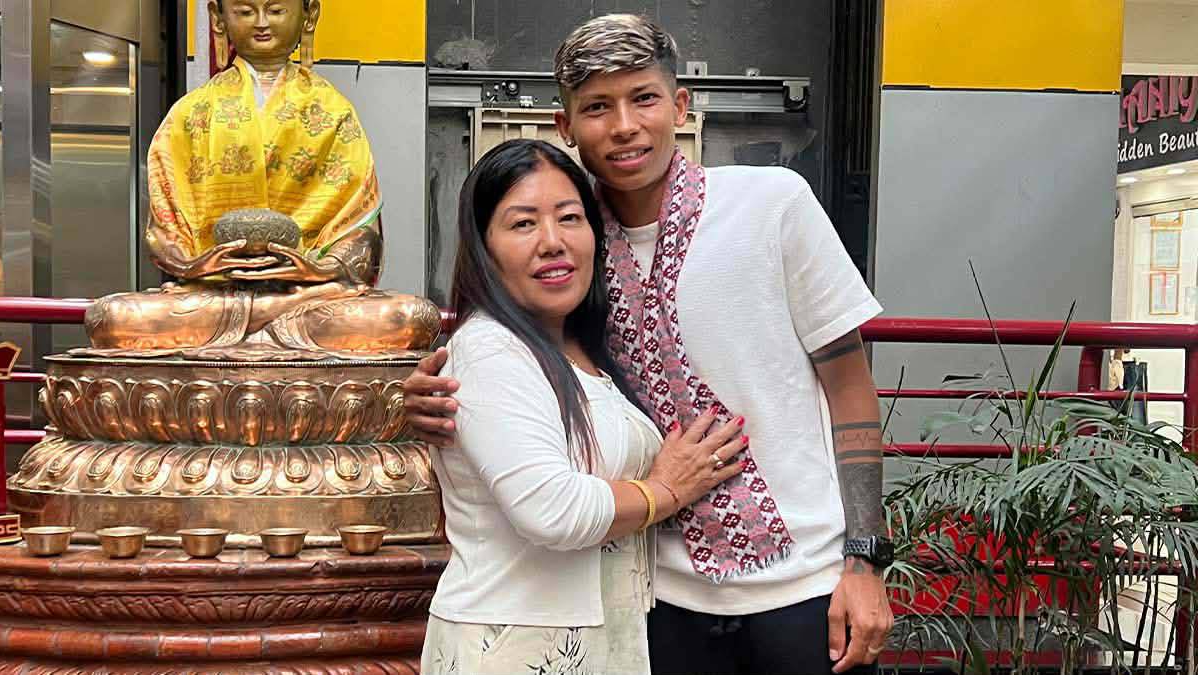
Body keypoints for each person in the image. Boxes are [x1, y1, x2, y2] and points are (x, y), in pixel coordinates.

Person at [407, 14, 895, 675]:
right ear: (565, 126)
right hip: (654, 602)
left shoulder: (774, 204)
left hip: (803, 588)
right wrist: (423, 402)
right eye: (598, 107)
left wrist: (864, 558)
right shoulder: (572, 261)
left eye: (643, 98)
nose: (624, 126)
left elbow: (849, 385)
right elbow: (523, 376)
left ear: (680, 105)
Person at [420, 138, 749, 675]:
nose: (553, 242)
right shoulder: (489, 349)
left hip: (597, 638)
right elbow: (552, 511)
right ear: (483, 246)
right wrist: (667, 490)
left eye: (570, 218)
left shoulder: (588, 349)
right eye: (523, 224)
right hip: (515, 645)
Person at [83, 0, 439, 358]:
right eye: (245, 10)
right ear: (218, 18)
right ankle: (263, 326)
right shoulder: (191, 113)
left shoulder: (333, 111)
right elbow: (163, 230)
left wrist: (319, 268)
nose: (262, 23)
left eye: (276, 9)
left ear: (309, 14)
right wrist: (194, 264)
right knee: (111, 318)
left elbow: (362, 232)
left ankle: (257, 326)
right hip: (213, 295)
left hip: (307, 298)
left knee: (411, 318)